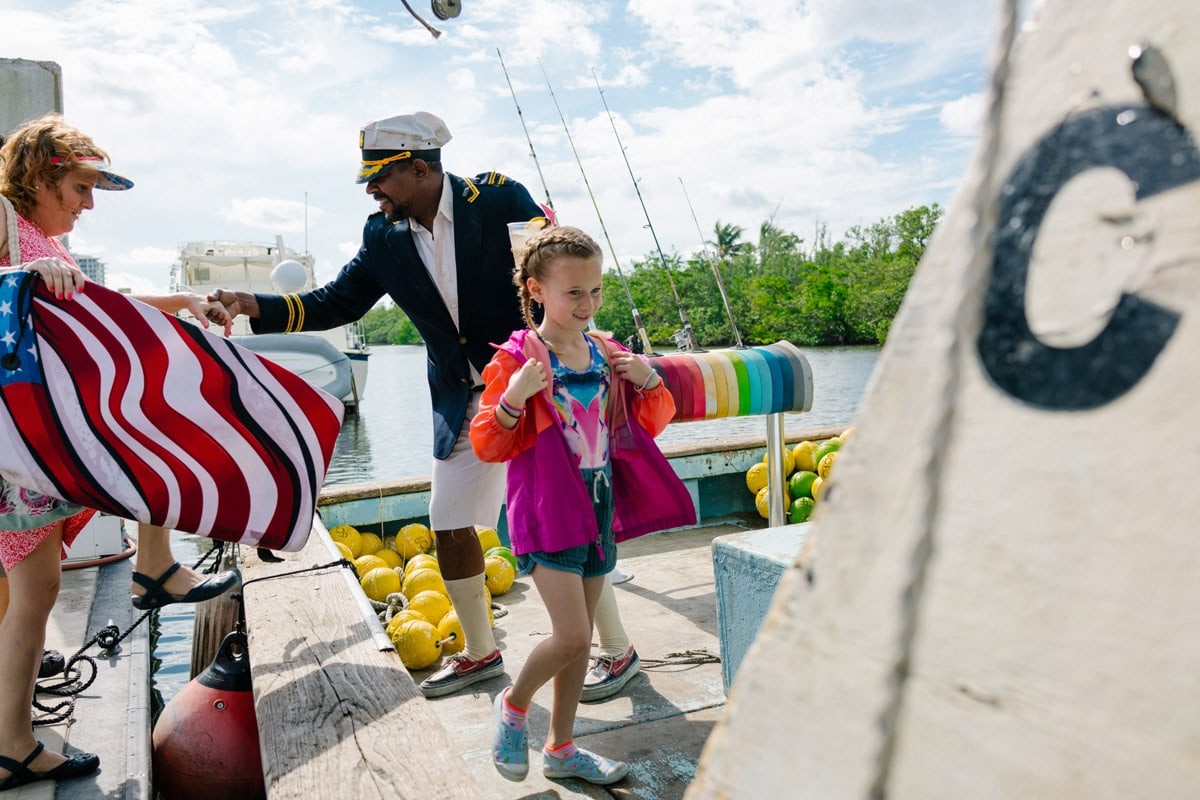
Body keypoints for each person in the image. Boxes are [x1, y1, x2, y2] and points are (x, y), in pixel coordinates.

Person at [207, 112, 642, 700]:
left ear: (419, 168)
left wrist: (575, 349)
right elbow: (335, 302)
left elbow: (560, 270)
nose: (370, 190)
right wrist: (249, 303)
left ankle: (616, 651)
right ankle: (480, 651)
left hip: (537, 387)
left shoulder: (498, 199)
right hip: (462, 396)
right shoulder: (382, 237)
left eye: (379, 176)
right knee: (449, 520)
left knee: (570, 519)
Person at [0, 114, 240, 792]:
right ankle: (12, 744)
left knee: (38, 591)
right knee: (37, 591)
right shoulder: (4, 221)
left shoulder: (45, 241)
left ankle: (157, 564)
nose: (89, 204)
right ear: (42, 172)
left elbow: (109, 303)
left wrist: (185, 300)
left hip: (39, 438)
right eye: (80, 186)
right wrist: (21, 271)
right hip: (18, 445)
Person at [469, 226, 694, 785]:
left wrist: (648, 381)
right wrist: (515, 398)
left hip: (598, 508)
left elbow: (652, 421)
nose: (588, 304)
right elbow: (487, 443)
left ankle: (562, 747)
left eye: (595, 291)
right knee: (570, 636)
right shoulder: (516, 359)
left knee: (584, 637)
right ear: (536, 290)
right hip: (547, 510)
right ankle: (515, 705)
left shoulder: (607, 352)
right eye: (574, 292)